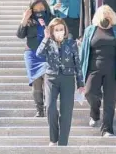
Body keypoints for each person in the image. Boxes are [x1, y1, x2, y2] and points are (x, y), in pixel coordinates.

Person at [79, 5, 116, 137]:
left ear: (112, 16)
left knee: (110, 101)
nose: (106, 17)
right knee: (89, 92)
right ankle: (95, 113)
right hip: (93, 69)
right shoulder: (90, 30)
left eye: (108, 14)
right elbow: (84, 51)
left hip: (113, 70)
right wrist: (78, 71)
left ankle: (107, 129)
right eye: (103, 15)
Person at [36, 18, 85, 146]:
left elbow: (77, 63)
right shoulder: (48, 42)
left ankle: (63, 143)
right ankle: (53, 138)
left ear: (65, 30)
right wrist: (46, 38)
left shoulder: (71, 43)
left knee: (66, 111)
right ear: (52, 31)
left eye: (61, 29)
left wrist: (81, 83)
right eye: (56, 30)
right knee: (50, 108)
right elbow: (38, 53)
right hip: (51, 78)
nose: (59, 32)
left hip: (68, 78)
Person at [16, 0, 52, 117]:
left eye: (41, 8)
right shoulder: (29, 21)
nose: (39, 11)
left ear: (46, 7)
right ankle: (39, 109)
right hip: (32, 54)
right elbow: (20, 35)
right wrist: (25, 18)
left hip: (48, 53)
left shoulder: (51, 18)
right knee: (36, 81)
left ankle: (49, 107)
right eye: (36, 9)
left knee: (48, 79)